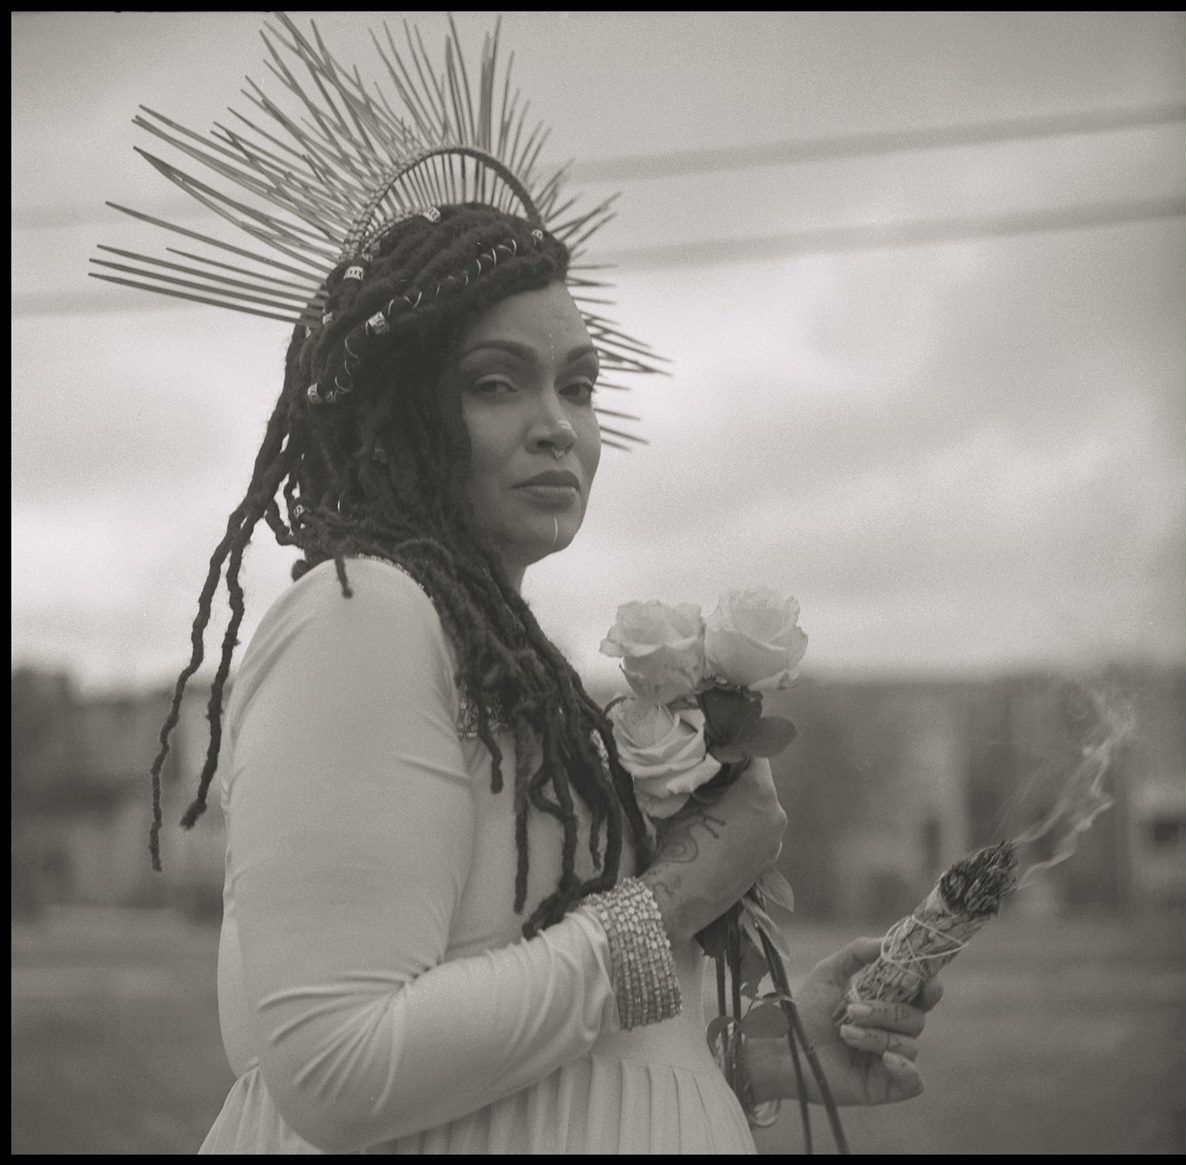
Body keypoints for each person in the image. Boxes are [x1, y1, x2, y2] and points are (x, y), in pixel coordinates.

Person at [99, 16, 941, 1155]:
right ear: (404, 416)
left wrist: (734, 1049)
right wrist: (678, 899)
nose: (559, 425)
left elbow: (523, 1020)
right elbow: (336, 1067)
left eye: (580, 385)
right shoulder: (365, 616)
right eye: (500, 383)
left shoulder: (493, 655)